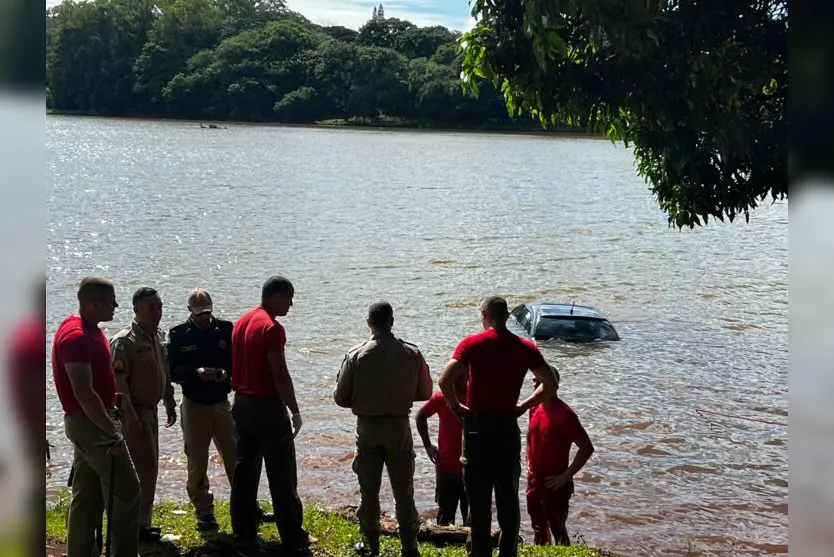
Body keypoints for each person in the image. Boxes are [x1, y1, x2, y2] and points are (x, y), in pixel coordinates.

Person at [438, 296, 559, 557]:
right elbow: (550, 382)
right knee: (508, 498)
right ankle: (508, 553)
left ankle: (479, 553)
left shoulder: (471, 344)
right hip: (506, 426)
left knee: (478, 500)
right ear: (506, 316)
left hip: (477, 428)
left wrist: (457, 408)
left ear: (484, 316)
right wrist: (524, 406)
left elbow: (445, 380)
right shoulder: (525, 347)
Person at [334, 301, 433, 557]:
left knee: (369, 492)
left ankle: (371, 545)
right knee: (404, 491)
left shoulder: (355, 355)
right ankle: (409, 548)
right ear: (392, 321)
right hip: (399, 428)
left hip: (367, 429)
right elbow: (425, 392)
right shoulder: (411, 353)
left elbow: (341, 398)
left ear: (369, 323)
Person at [52, 277, 140, 557]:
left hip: (89, 422)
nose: (116, 305)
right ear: (93, 303)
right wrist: (112, 430)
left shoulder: (88, 328)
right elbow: (83, 393)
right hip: (91, 424)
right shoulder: (76, 336)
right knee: (127, 492)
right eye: (111, 301)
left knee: (87, 498)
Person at [229, 276, 314, 553]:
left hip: (240, 403)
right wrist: (295, 410)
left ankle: (243, 534)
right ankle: (293, 536)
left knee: (245, 472)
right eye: (289, 298)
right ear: (276, 296)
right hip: (266, 406)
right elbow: (279, 373)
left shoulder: (242, 321)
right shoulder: (272, 328)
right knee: (282, 472)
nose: (291, 304)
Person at [167, 288, 239, 531]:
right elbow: (172, 371)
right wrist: (195, 374)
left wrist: (225, 374)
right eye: (199, 314)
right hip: (194, 403)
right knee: (197, 460)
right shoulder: (178, 335)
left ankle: (244, 503)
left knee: (235, 455)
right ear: (190, 311)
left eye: (207, 312)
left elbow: (235, 361)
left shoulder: (225, 329)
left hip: (221, 402)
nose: (204, 318)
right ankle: (204, 511)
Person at [110, 287, 177, 541]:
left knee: (150, 467)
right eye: (152, 308)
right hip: (134, 413)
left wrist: (169, 401)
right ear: (136, 309)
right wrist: (131, 418)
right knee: (142, 468)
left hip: (152, 411)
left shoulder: (156, 337)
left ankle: (142, 522)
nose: (157, 313)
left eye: (159, 307)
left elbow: (165, 372)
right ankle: (136, 525)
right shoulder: (125, 341)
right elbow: (119, 384)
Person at [525, 370, 594, 546]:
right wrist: (527, 463)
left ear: (552, 386)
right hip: (534, 479)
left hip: (555, 480)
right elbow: (529, 436)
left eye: (539, 381)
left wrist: (566, 475)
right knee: (538, 526)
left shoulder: (565, 414)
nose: (534, 385)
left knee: (557, 527)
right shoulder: (534, 408)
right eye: (534, 381)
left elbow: (586, 448)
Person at [415, 374, 469, 527]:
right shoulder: (441, 397)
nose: (459, 379)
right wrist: (427, 446)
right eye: (455, 375)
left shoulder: (475, 399)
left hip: (469, 467)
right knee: (445, 516)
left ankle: (471, 547)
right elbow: (420, 416)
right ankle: (441, 542)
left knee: (471, 518)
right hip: (445, 466)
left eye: (462, 374)